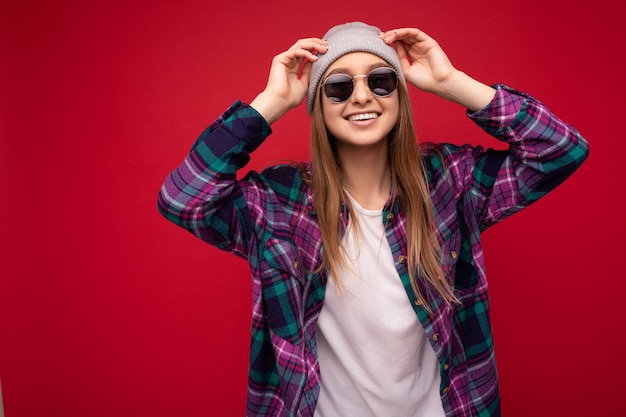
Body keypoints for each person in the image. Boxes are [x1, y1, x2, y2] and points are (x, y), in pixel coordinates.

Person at [158, 22, 589, 417]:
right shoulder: (277, 202)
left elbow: (559, 150)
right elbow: (183, 199)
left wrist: (451, 83)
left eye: (381, 82)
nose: (362, 96)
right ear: (318, 107)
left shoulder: (448, 182)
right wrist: (268, 105)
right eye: (339, 88)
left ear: (399, 95)